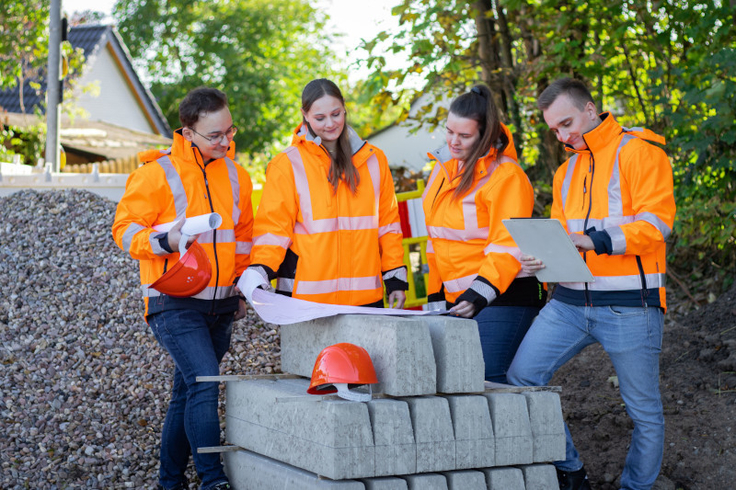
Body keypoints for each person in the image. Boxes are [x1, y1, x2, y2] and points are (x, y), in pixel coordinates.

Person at [506, 78, 676, 490]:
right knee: (521, 380)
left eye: (567, 123)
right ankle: (571, 472)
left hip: (630, 306)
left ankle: (635, 488)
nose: (563, 136)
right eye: (555, 130)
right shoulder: (565, 172)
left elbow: (657, 226)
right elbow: (563, 236)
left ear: (590, 108)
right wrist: (541, 260)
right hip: (566, 304)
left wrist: (592, 240)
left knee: (644, 413)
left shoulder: (641, 152)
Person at [112, 87, 253, 490]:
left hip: (221, 306)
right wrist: (163, 242)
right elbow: (123, 230)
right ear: (187, 132)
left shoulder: (237, 175)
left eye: (230, 131)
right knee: (205, 383)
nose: (226, 141)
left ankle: (169, 482)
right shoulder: (155, 173)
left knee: (186, 392)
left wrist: (240, 291)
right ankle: (212, 480)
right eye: (215, 135)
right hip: (172, 301)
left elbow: (244, 239)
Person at [422, 84, 546, 383]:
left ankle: (542, 432)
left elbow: (507, 243)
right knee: (462, 383)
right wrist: (434, 293)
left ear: (485, 136)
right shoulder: (443, 168)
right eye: (449, 131)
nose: (453, 141)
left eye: (464, 136)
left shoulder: (507, 176)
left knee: (491, 380)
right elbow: (436, 238)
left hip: (505, 296)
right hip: (460, 298)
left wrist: (480, 293)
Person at [246, 78, 407, 307]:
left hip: (365, 300)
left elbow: (388, 225)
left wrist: (395, 278)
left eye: (336, 114)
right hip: (305, 301)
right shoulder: (287, 164)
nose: (330, 124)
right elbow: (273, 228)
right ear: (305, 115)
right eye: (320, 118)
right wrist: (260, 269)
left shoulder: (374, 160)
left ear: (344, 108)